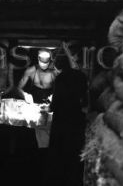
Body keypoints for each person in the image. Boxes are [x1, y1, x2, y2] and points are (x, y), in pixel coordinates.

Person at [43, 43, 88, 186]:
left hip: (61, 123)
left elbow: (55, 103)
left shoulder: (61, 78)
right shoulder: (82, 77)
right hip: (76, 122)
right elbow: (85, 100)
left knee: (59, 156)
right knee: (74, 158)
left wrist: (48, 107)